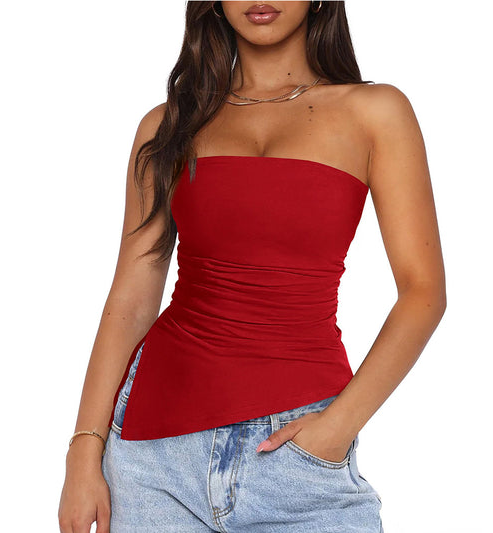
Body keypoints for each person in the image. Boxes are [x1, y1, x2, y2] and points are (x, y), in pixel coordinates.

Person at [58, 1, 447, 532]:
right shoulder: (169, 124)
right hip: (153, 457)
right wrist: (83, 451)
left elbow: (423, 293)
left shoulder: (375, 112)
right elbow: (132, 298)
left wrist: (336, 428)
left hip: (299, 451)